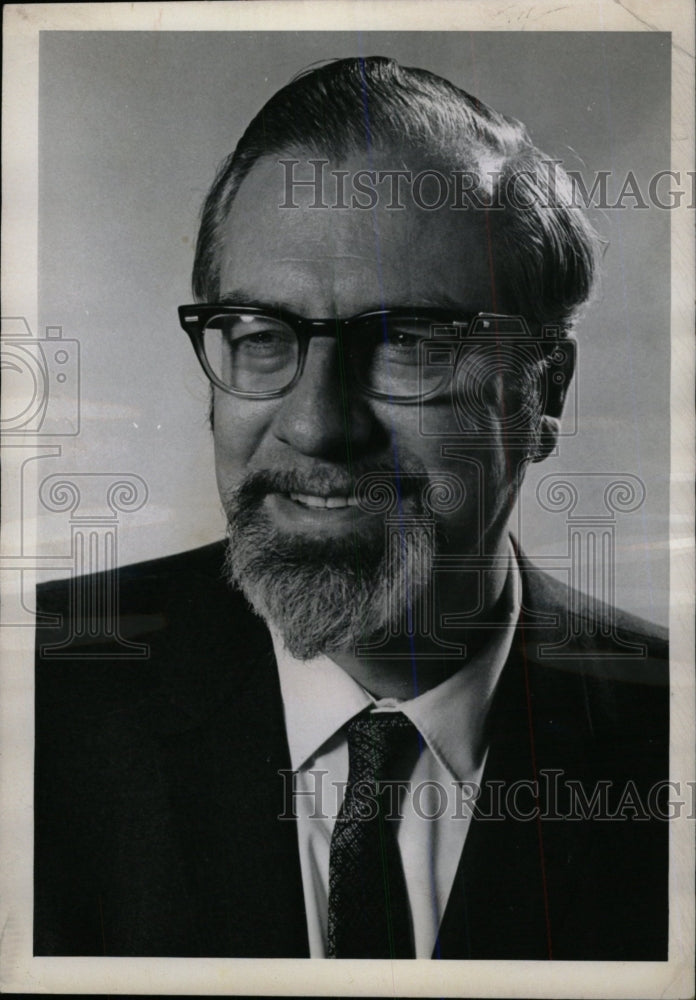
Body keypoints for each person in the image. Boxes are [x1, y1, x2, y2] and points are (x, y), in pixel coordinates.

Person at [35, 57, 668, 960]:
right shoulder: (35, 700)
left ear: (545, 392)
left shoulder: (667, 738)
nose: (317, 426)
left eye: (407, 343)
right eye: (260, 336)